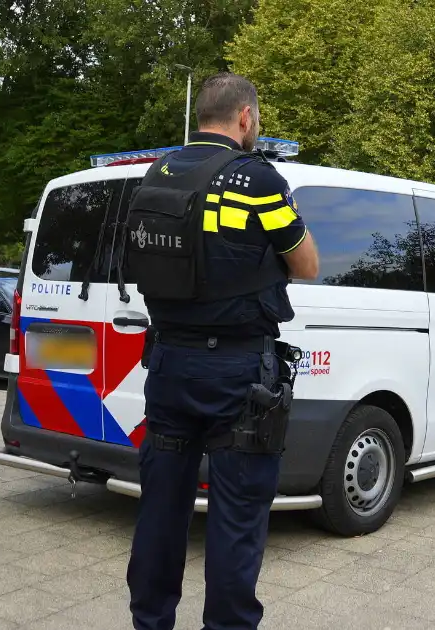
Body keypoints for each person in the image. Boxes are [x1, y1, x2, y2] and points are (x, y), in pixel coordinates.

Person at [122, 72, 320, 630]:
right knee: (236, 520)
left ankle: (150, 622)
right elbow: (306, 265)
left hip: (167, 366)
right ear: (245, 118)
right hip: (238, 375)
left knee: (161, 510)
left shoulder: (157, 174)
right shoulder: (256, 179)